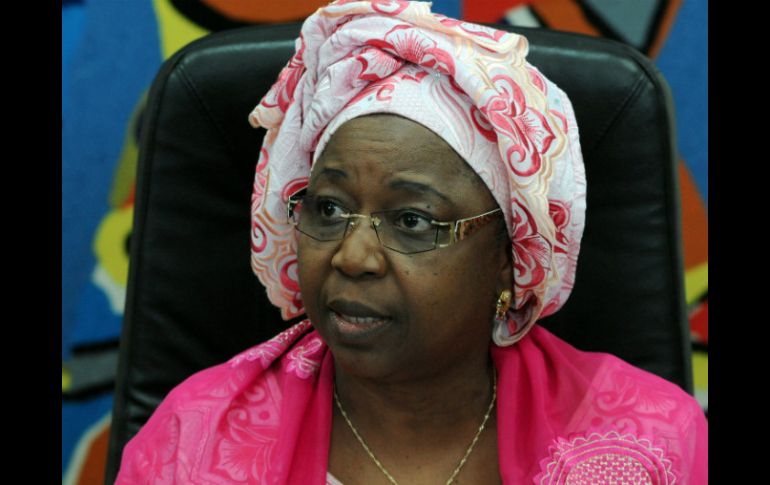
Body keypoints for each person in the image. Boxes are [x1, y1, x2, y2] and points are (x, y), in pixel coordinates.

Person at [114, 1, 708, 483]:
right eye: (328, 208)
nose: (352, 256)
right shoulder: (193, 443)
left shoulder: (650, 444)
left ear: (511, 258)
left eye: (413, 221)